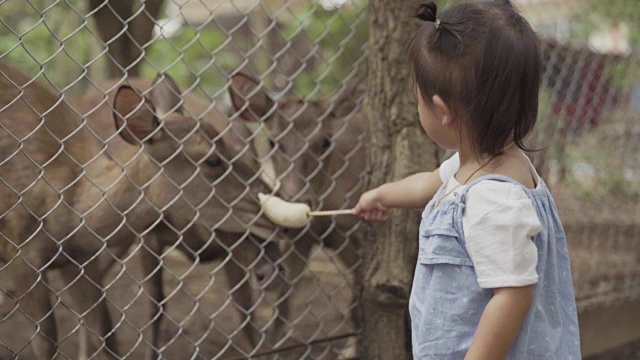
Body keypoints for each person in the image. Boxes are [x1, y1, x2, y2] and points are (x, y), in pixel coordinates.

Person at [352, 1, 581, 359]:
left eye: (418, 99)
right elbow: (430, 182)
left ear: (442, 111)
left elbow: (512, 295)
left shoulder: (492, 201)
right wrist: (382, 195)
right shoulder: (485, 165)